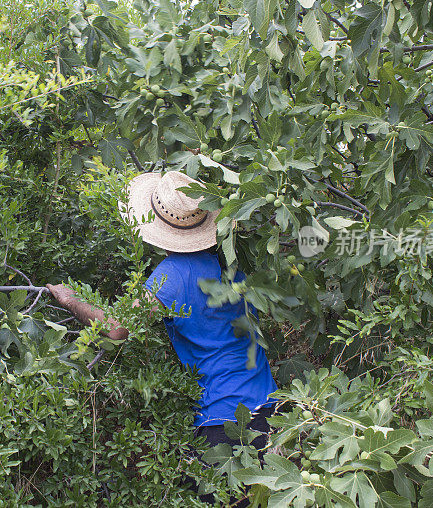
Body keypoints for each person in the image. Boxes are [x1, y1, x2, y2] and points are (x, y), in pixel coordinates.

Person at [46, 170, 278, 455]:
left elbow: (118, 329)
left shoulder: (172, 274)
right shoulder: (231, 267)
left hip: (225, 417)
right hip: (268, 407)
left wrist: (70, 300)